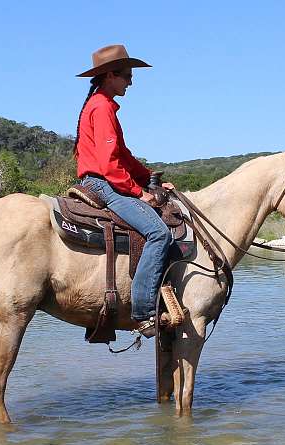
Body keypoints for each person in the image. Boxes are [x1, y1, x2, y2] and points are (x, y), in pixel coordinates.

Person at [74, 44, 174, 332]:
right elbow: (109, 164)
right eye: (127, 75)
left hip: (103, 179)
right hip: (104, 184)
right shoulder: (102, 107)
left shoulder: (100, 104)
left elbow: (123, 155)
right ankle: (143, 312)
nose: (131, 80)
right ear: (110, 75)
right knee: (158, 233)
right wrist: (139, 192)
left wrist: (148, 178)